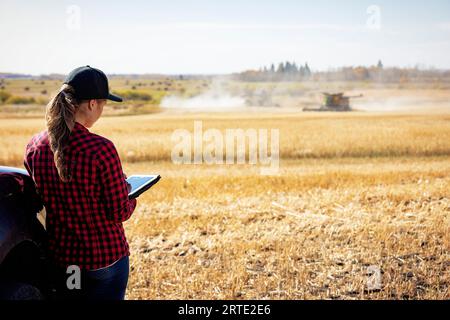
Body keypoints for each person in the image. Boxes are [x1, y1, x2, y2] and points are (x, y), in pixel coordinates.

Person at [23, 66, 137, 300]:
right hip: (104, 259)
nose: (102, 111)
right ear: (92, 104)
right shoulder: (101, 148)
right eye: (103, 104)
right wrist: (130, 193)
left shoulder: (34, 145)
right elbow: (119, 212)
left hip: (63, 261)